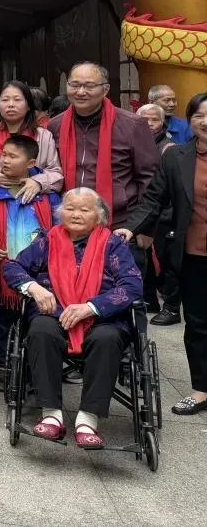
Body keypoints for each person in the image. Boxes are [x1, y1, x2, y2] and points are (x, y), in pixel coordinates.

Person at [5, 188, 141, 447]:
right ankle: (51, 415)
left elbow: (132, 285)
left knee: (107, 338)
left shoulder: (113, 244)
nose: (76, 214)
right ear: (60, 212)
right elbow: (13, 266)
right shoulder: (47, 239)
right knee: (41, 330)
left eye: (84, 209)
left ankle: (88, 419)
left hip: (102, 318)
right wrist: (33, 287)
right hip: (54, 312)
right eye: (70, 208)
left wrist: (91, 307)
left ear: (99, 216)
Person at [121, 92, 207, 415]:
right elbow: (154, 198)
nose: (205, 122)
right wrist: (130, 228)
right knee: (197, 323)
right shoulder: (176, 157)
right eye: (198, 116)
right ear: (189, 120)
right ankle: (201, 390)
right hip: (194, 254)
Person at [49, 62, 158, 302]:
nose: (81, 91)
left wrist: (142, 227)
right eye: (75, 85)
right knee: (71, 300)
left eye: (89, 85)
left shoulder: (131, 124)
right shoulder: (55, 125)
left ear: (106, 89)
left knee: (124, 302)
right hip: (70, 230)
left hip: (120, 228)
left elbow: (150, 180)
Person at [0, 134, 62, 392]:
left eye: (12, 156)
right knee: (2, 318)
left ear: (31, 163)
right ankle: (3, 365)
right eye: (3, 154)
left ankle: (34, 364)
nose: (4, 160)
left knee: (37, 319)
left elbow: (60, 232)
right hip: (0, 271)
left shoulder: (47, 196)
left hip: (39, 272)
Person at [0, 80, 64, 201]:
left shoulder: (43, 136)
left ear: (28, 106)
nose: (10, 104)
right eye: (5, 100)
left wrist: (38, 182)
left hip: (32, 204)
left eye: (17, 100)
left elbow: (56, 175)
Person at [136, 102, 180, 322]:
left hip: (165, 212)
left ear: (163, 123)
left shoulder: (168, 148)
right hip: (142, 210)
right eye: (145, 120)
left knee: (167, 260)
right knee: (143, 257)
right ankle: (149, 300)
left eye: (155, 120)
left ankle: (171, 308)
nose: (150, 124)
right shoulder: (134, 143)